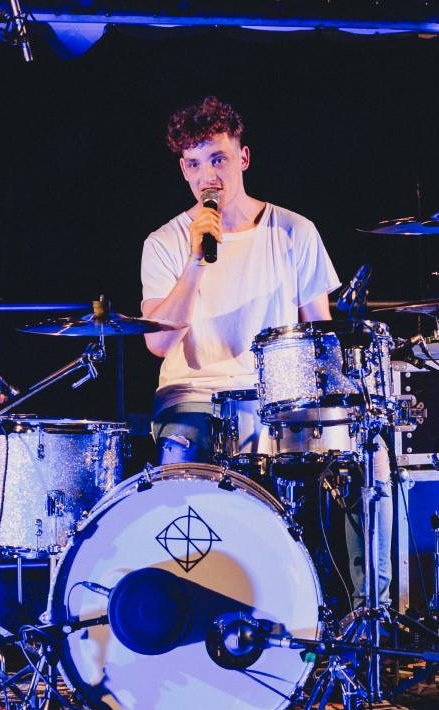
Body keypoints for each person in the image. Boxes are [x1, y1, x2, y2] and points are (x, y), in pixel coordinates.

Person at [139, 95, 392, 609]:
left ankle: (371, 615)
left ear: (243, 157)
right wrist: (196, 261)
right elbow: (158, 343)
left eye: (218, 158)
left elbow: (321, 337)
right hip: (196, 399)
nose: (207, 175)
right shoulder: (164, 242)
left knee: (372, 456)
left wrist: (342, 401)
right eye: (194, 163)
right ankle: (185, 610)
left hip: (281, 401)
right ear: (183, 170)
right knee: (180, 467)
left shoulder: (294, 231)